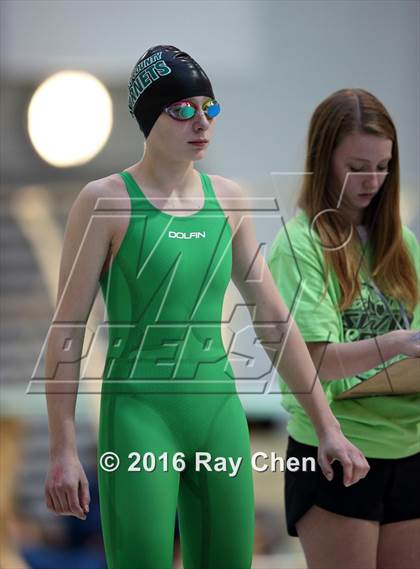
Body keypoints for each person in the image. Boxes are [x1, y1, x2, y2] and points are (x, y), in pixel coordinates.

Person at [44, 48, 369, 569]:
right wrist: (62, 448)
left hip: (217, 410)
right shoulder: (106, 202)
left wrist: (326, 425)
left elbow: (272, 317)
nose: (202, 122)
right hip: (138, 415)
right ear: (149, 118)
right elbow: (67, 330)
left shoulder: (229, 200)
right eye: (183, 109)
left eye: (209, 107)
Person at [268, 88, 420, 569]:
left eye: (383, 166)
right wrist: (398, 342)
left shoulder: (403, 244)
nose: (372, 180)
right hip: (334, 450)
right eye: (357, 166)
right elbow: (313, 362)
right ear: (324, 159)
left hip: (409, 447)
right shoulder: (300, 245)